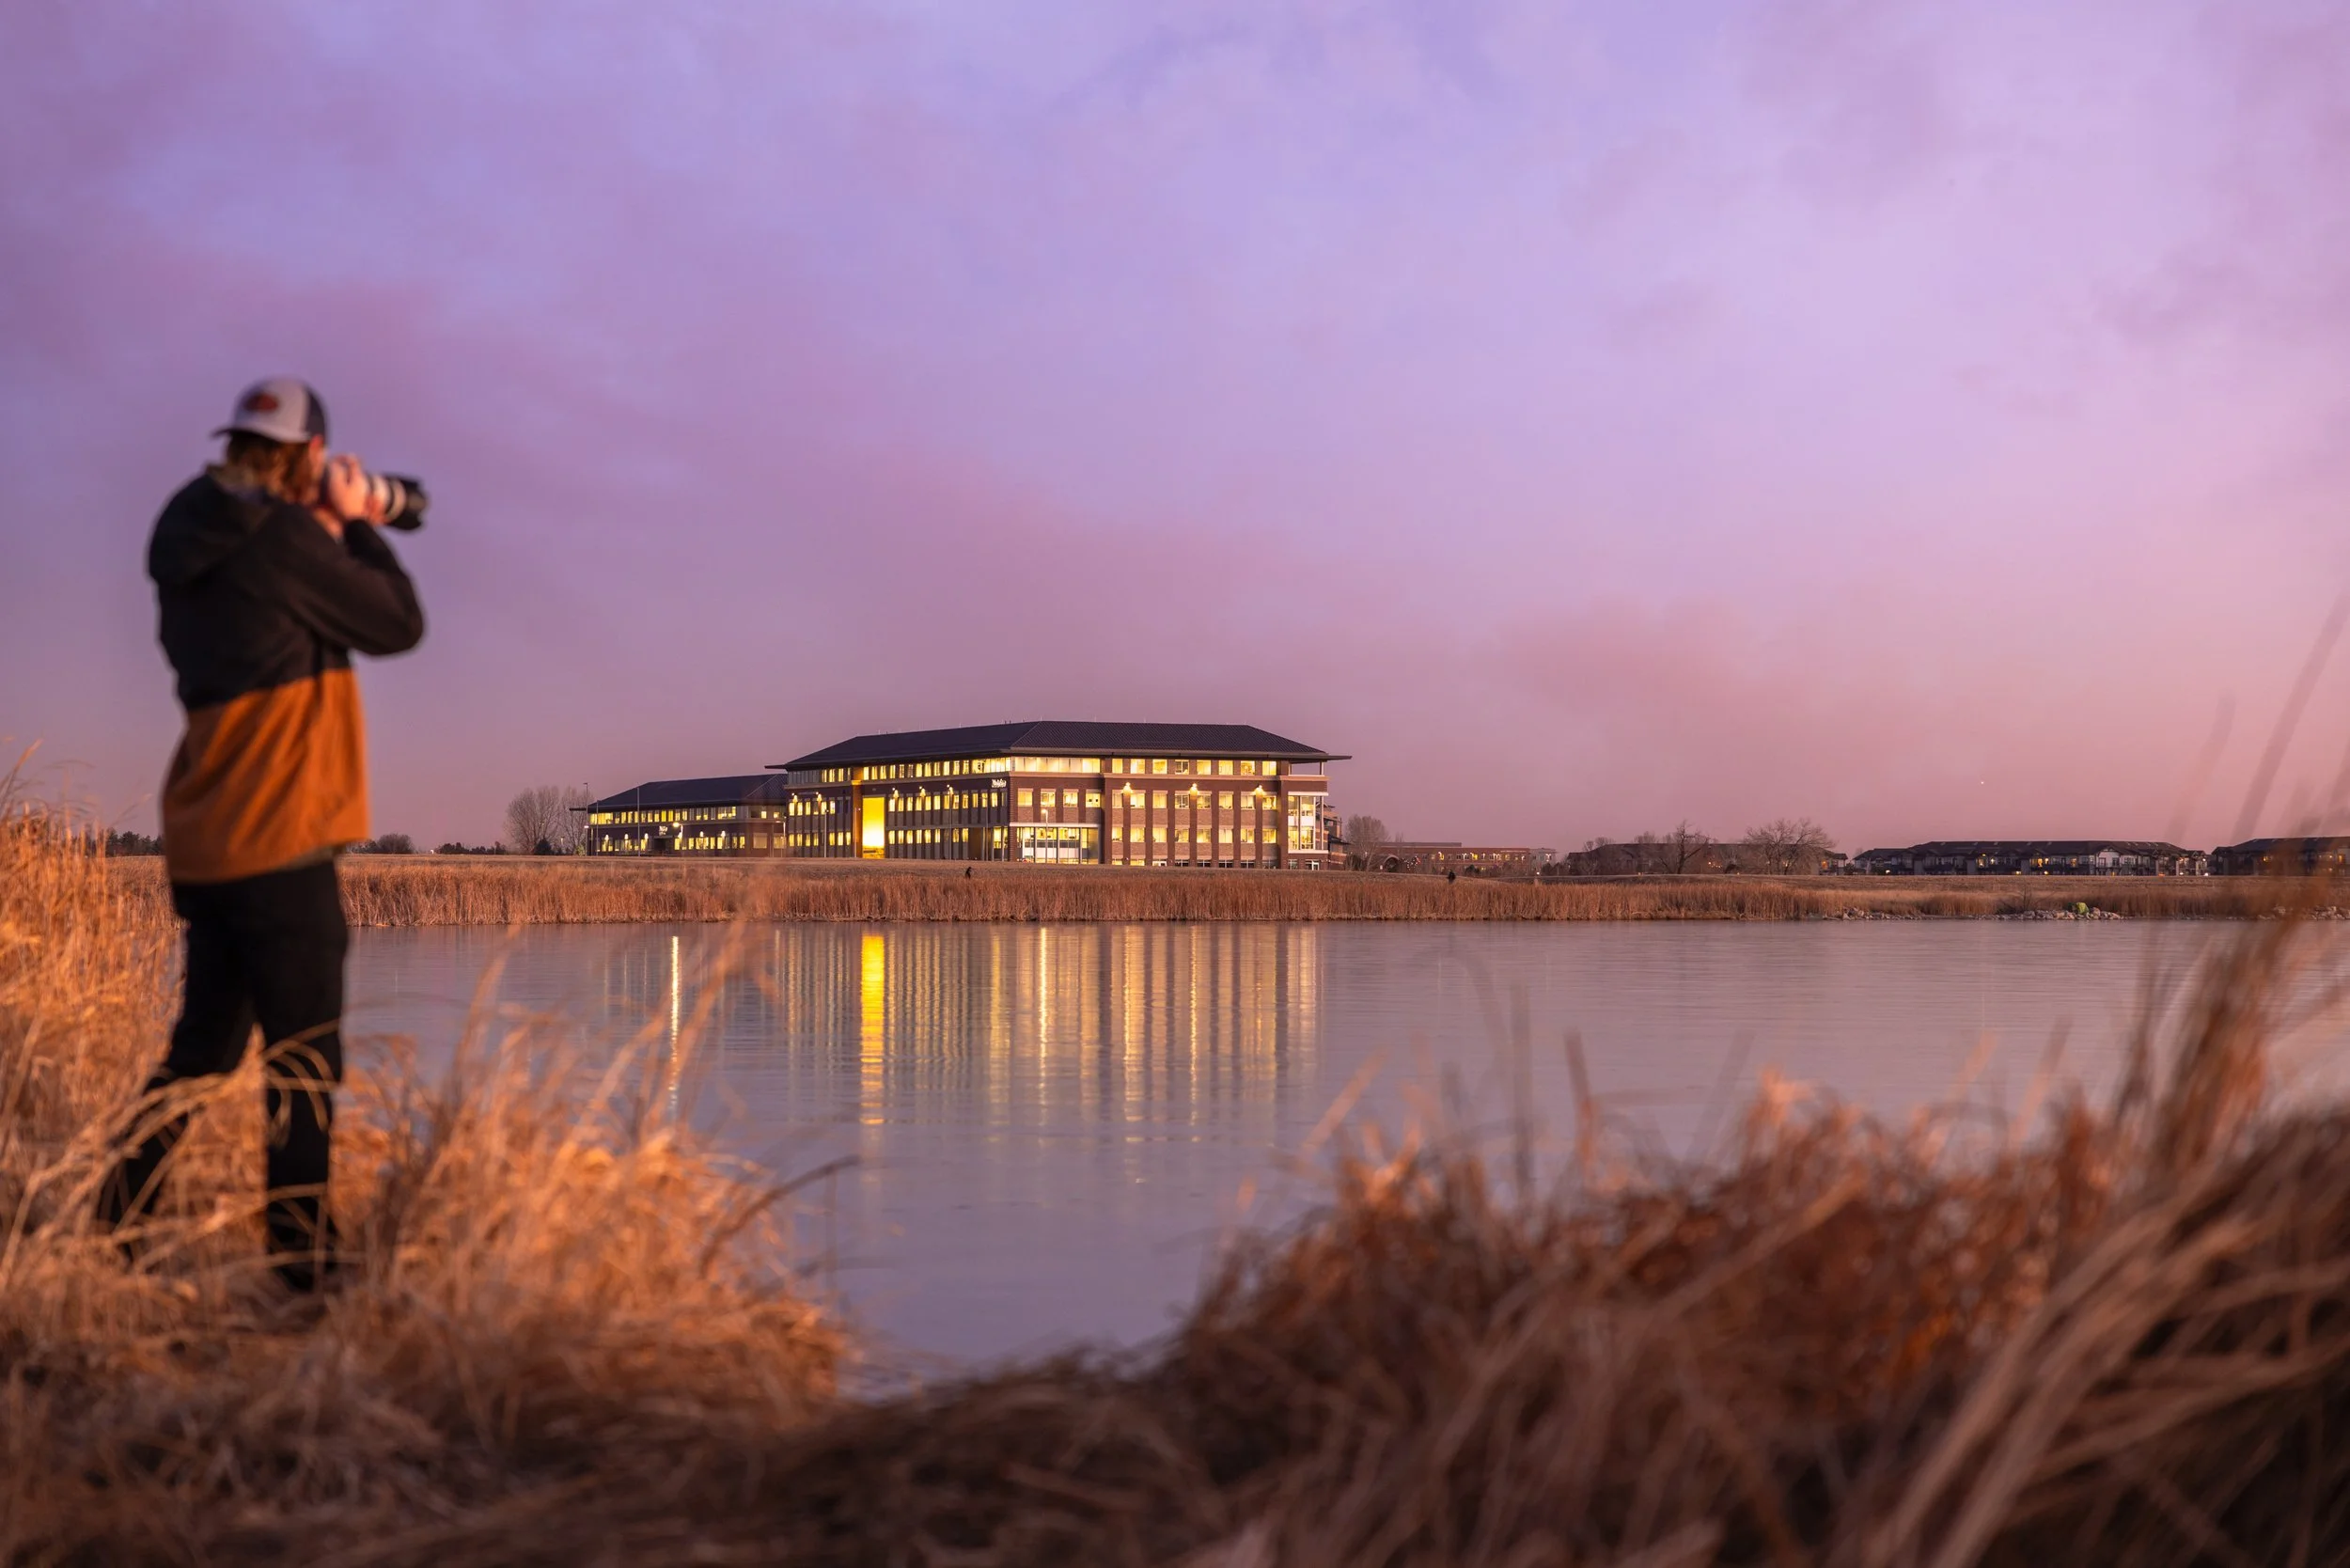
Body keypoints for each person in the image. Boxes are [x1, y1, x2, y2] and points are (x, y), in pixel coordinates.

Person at [101, 377, 426, 1291]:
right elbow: (399, 624)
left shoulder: (186, 530)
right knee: (304, 1059)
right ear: (312, 455)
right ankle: (302, 1265)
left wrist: (318, 527)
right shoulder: (283, 541)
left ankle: (116, 1222)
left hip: (208, 834)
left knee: (203, 1050)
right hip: (283, 839)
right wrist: (355, 521)